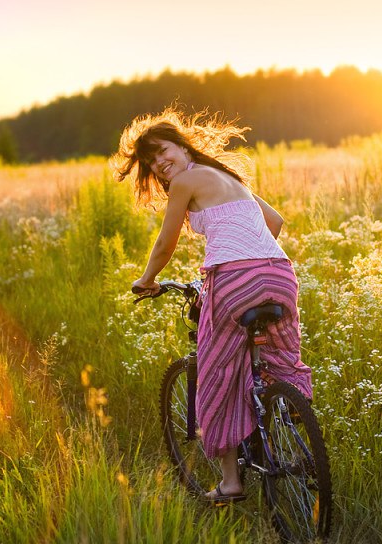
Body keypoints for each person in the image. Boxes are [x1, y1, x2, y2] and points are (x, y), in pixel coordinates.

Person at [111, 108, 312, 502]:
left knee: (217, 373)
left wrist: (147, 279)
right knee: (279, 362)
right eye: (151, 162)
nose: (159, 164)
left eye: (162, 151)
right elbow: (275, 221)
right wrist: (247, 249)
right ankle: (286, 423)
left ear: (182, 145)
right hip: (279, 275)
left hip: (234, 282)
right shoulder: (230, 180)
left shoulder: (186, 180)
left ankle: (231, 482)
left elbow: (166, 243)